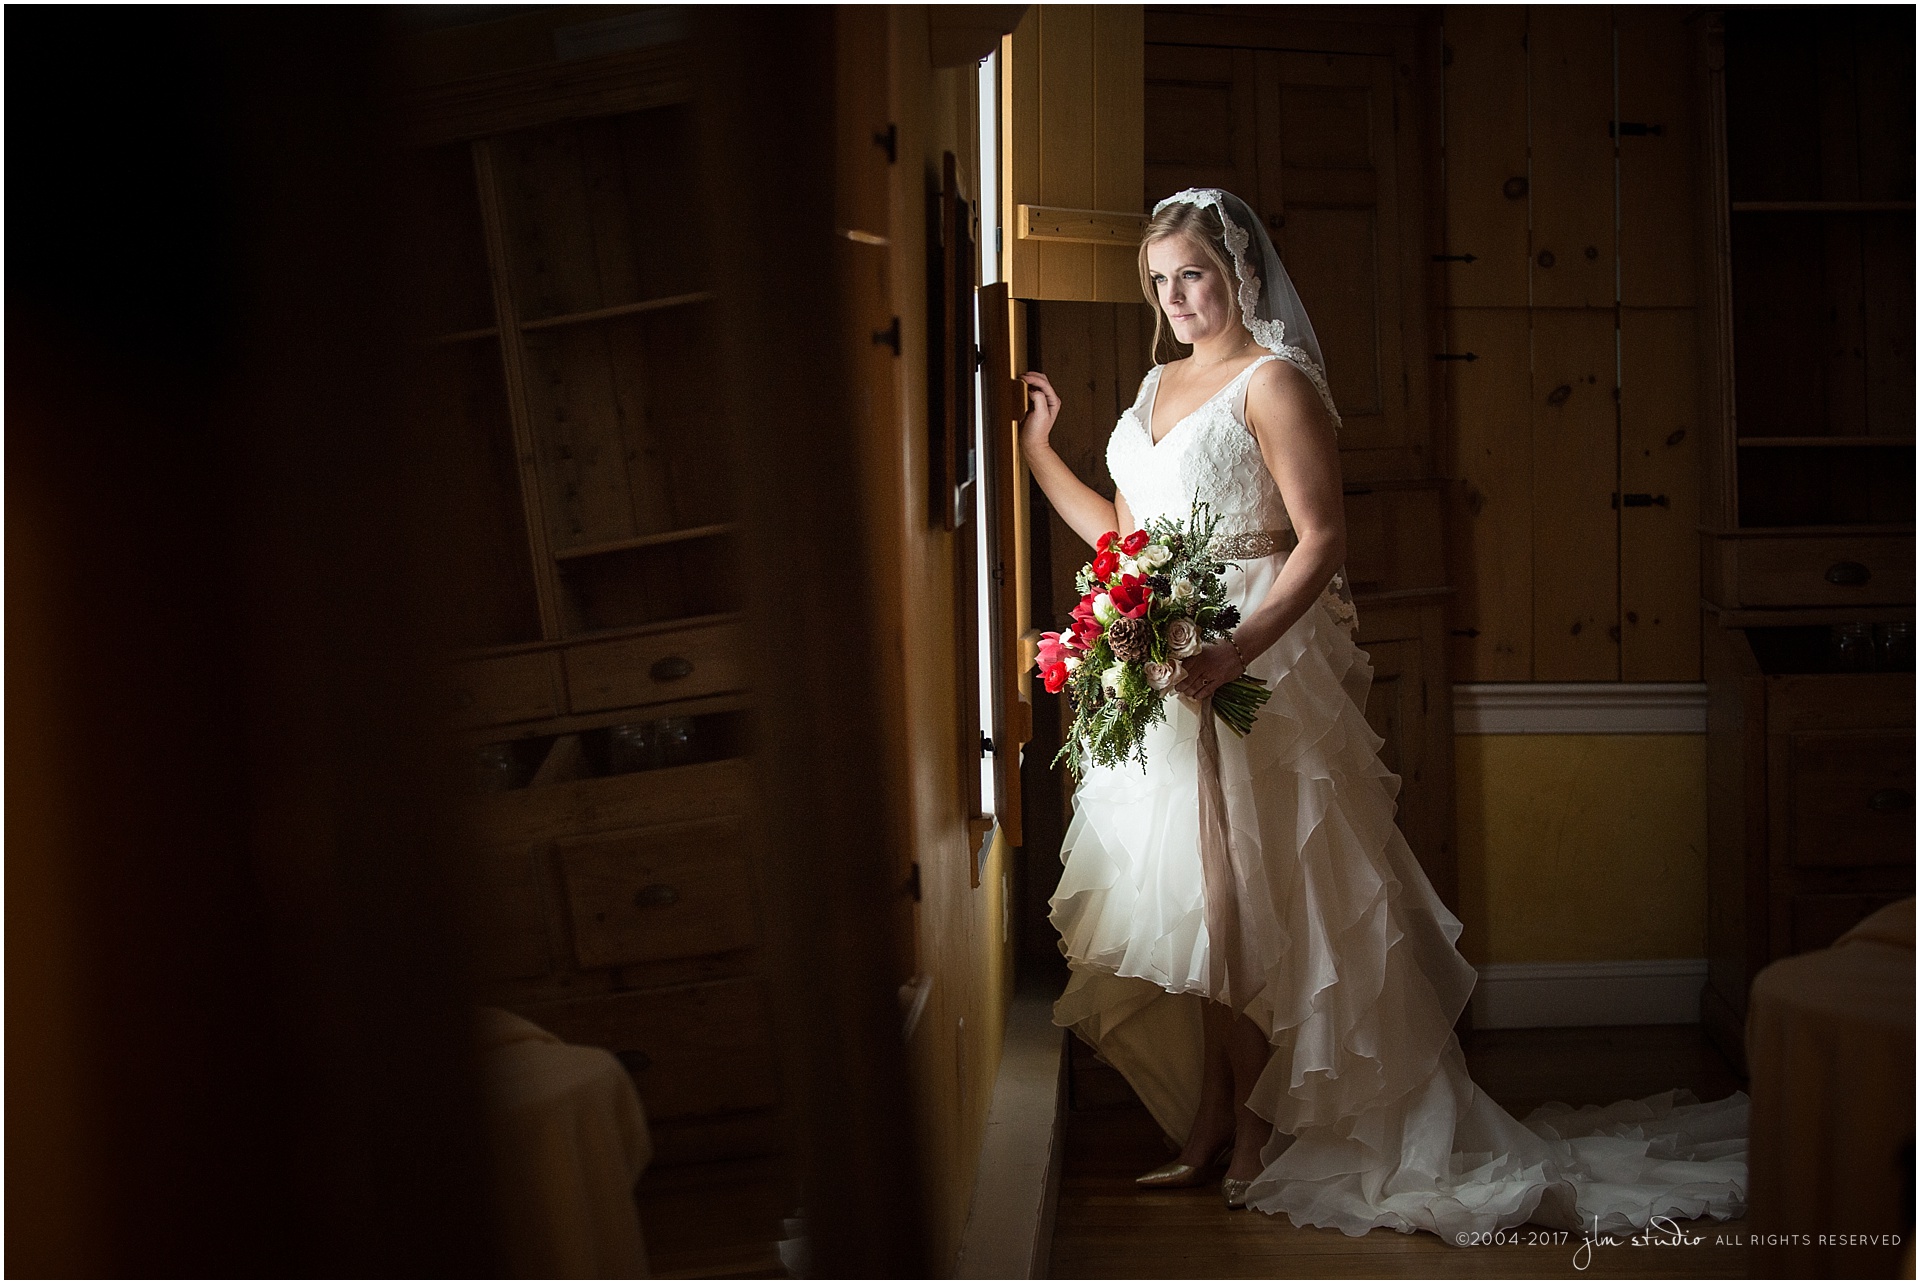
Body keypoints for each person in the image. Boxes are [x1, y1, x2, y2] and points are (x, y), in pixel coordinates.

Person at [1018, 188, 1747, 1239]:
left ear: (1238, 276)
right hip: (1171, 660)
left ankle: (1267, 1127)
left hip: (1255, 658)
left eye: (1194, 276)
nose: (1178, 298)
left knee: (1268, 902)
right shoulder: (1156, 384)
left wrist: (1234, 650)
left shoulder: (1274, 383)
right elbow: (1125, 542)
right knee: (1208, 910)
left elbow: (1320, 540)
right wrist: (1042, 452)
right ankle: (1214, 1118)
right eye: (1162, 282)